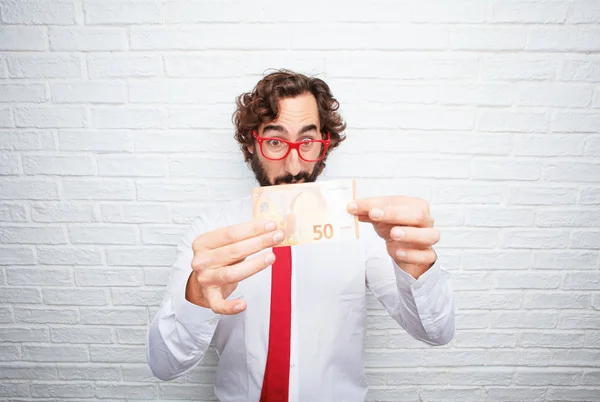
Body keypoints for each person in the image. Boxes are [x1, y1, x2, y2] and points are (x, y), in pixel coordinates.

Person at [146, 70, 455, 402]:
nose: (294, 165)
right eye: (276, 141)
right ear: (252, 142)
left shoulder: (364, 231)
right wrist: (197, 296)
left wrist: (416, 269)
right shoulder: (208, 233)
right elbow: (164, 366)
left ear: (324, 145)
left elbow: (435, 333)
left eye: (307, 141)